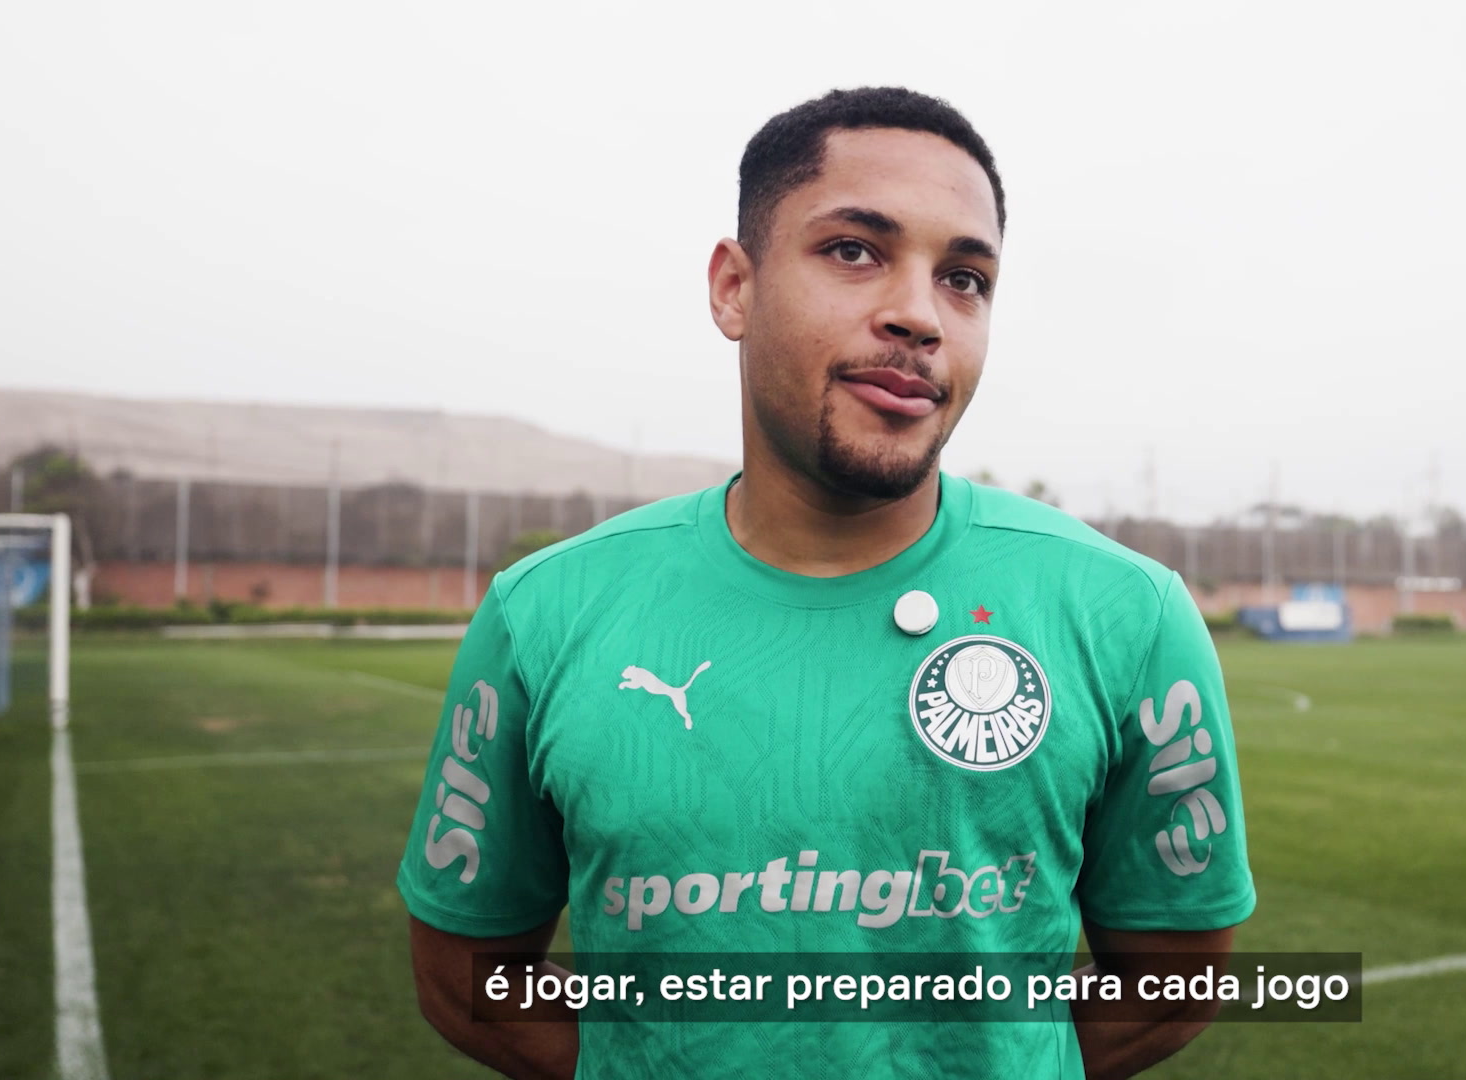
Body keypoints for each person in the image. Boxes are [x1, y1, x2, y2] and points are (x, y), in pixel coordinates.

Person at [399, 85, 1255, 1080]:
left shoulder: (1129, 616)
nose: (919, 315)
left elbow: (1173, 982)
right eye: (854, 250)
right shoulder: (542, 614)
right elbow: (468, 981)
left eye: (965, 278)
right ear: (735, 288)